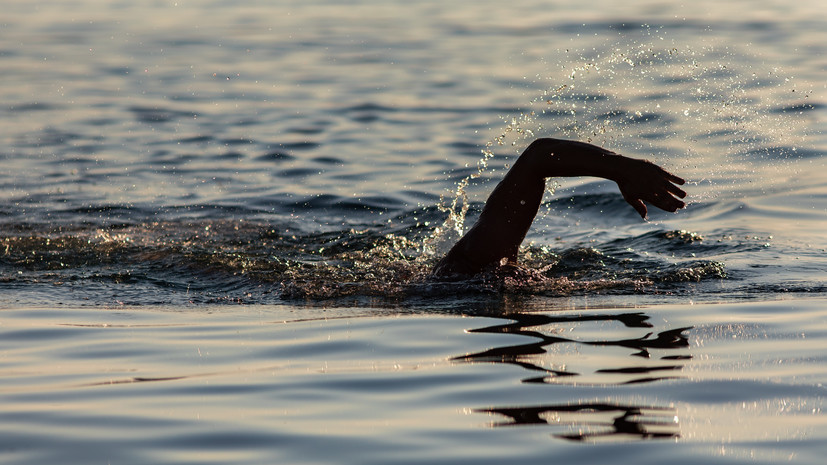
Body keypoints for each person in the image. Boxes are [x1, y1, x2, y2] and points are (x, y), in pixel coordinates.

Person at [432, 137, 687, 278]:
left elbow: (538, 157)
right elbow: (538, 157)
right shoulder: (470, 268)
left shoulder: (467, 265)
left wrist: (622, 168)